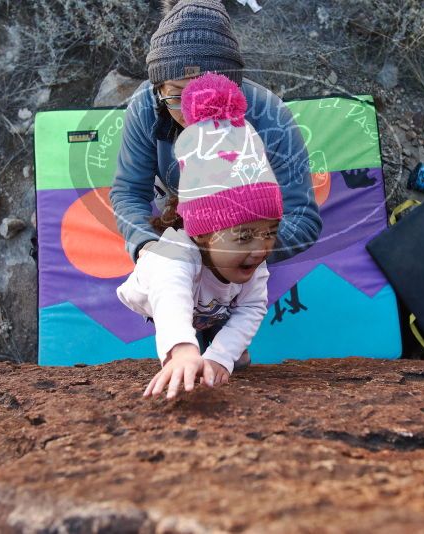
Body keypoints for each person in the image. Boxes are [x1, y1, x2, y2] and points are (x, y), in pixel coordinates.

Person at [111, 0, 321, 267]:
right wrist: (146, 245)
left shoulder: (270, 116)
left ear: (233, 88)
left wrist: (233, 248)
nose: (190, 110)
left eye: (205, 94)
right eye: (176, 95)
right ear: (159, 89)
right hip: (178, 231)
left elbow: (302, 219)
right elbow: (129, 191)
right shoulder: (147, 105)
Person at [116, 72, 282, 399]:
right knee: (180, 297)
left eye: (270, 232)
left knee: (229, 321)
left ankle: (216, 337)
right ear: (204, 234)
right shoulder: (175, 256)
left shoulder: (252, 261)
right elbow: (170, 298)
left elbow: (252, 306)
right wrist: (181, 350)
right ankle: (200, 337)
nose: (261, 248)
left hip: (210, 303)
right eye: (244, 235)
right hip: (159, 292)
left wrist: (221, 355)